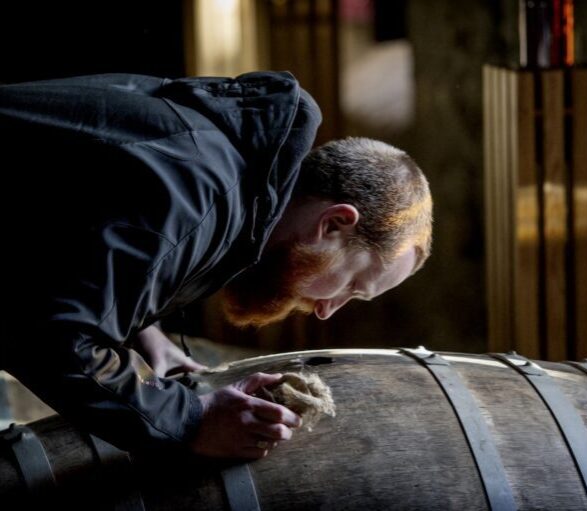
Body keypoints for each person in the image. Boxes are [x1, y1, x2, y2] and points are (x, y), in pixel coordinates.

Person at [0, 71, 432, 458]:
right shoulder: (196, 192)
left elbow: (57, 249)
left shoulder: (224, 164)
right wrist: (193, 419)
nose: (326, 309)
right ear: (334, 223)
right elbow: (52, 337)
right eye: (352, 286)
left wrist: (144, 332)